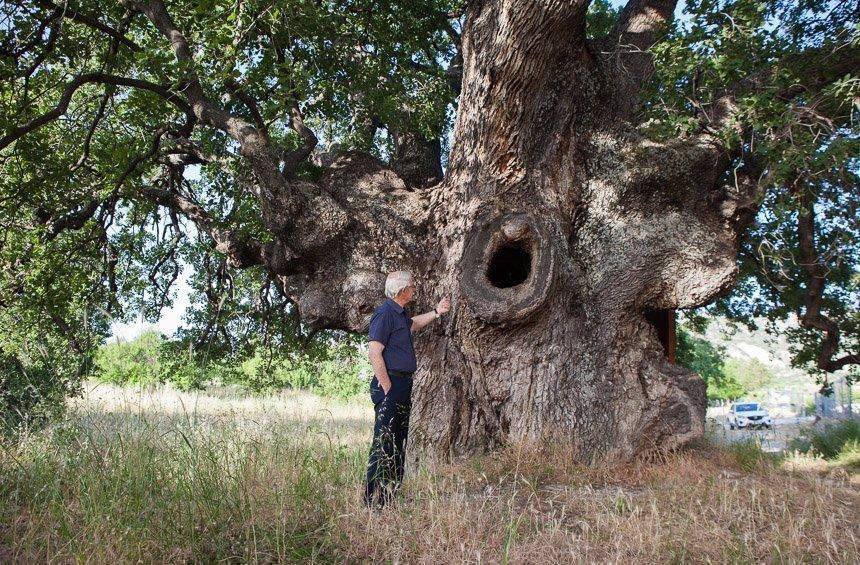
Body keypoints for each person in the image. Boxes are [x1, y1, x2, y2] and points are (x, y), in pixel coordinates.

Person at [363, 270, 450, 507]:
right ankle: (372, 501)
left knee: (398, 441)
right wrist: (388, 387)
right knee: (384, 441)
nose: (414, 289)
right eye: (411, 286)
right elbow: (374, 353)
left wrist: (436, 312)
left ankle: (389, 496)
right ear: (401, 290)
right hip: (391, 384)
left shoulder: (401, 314)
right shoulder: (384, 314)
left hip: (403, 384)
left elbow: (414, 324)